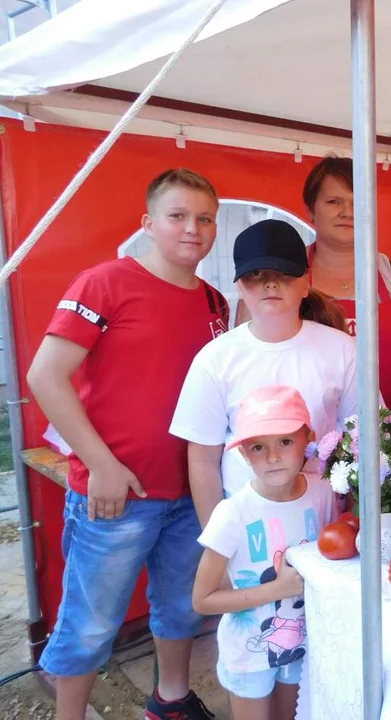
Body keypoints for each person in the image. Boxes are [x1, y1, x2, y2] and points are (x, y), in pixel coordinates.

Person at [26, 169, 225, 720]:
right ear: (149, 223)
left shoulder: (214, 300)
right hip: (117, 495)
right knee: (89, 623)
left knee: (183, 610)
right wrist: (101, 465)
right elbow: (46, 376)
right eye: (178, 216)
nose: (192, 229)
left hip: (189, 493)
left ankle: (171, 700)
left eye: (204, 218)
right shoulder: (105, 282)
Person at [171, 219, 361, 528]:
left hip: (324, 526)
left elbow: (361, 444)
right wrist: (217, 543)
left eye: (284, 274)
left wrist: (353, 525)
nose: (270, 284)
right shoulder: (215, 359)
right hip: (246, 529)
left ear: (306, 282)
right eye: (255, 275)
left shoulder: (343, 350)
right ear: (239, 287)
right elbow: (203, 460)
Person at [236, 157, 391, 410]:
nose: (347, 212)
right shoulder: (277, 277)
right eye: (334, 201)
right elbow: (246, 359)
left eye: (358, 202)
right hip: (298, 440)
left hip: (384, 440)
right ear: (310, 210)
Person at [193, 385, 336, 720]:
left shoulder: (323, 493)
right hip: (249, 654)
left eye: (285, 442)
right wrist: (277, 590)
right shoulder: (233, 513)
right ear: (244, 453)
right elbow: (202, 600)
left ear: (308, 439)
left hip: (304, 645)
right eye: (259, 447)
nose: (273, 457)